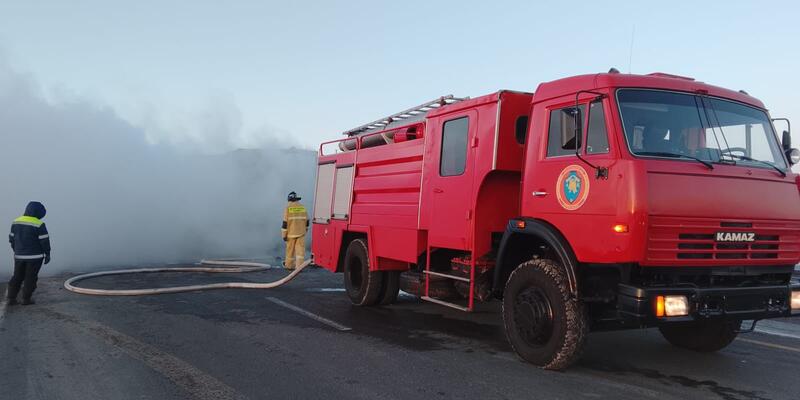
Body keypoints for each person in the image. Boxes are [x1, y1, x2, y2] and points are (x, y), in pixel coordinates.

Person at [7, 201, 51, 305]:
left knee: (17, 276)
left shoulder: (16, 222)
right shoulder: (39, 224)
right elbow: (44, 241)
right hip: (35, 257)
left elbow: (11, 239)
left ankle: (11, 298)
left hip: (19, 256)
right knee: (30, 277)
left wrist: (16, 250)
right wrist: (47, 254)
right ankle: (26, 299)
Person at [281, 192, 308, 270]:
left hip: (291, 234)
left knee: (290, 252)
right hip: (301, 233)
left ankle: (289, 266)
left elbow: (285, 223)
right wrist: (305, 230)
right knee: (300, 252)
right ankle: (299, 267)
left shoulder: (288, 208)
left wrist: (284, 235)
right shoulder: (302, 207)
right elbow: (307, 221)